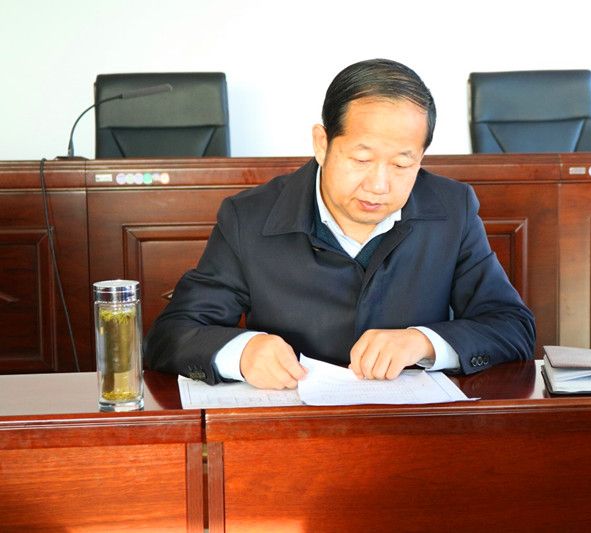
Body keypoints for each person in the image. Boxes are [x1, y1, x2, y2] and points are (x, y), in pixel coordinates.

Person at [144, 58, 535, 389]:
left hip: (411, 433)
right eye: (361, 160)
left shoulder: (452, 210)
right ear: (322, 143)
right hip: (295, 430)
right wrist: (242, 353)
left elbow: (512, 326)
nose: (379, 185)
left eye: (402, 164)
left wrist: (424, 342)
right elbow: (172, 333)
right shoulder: (249, 217)